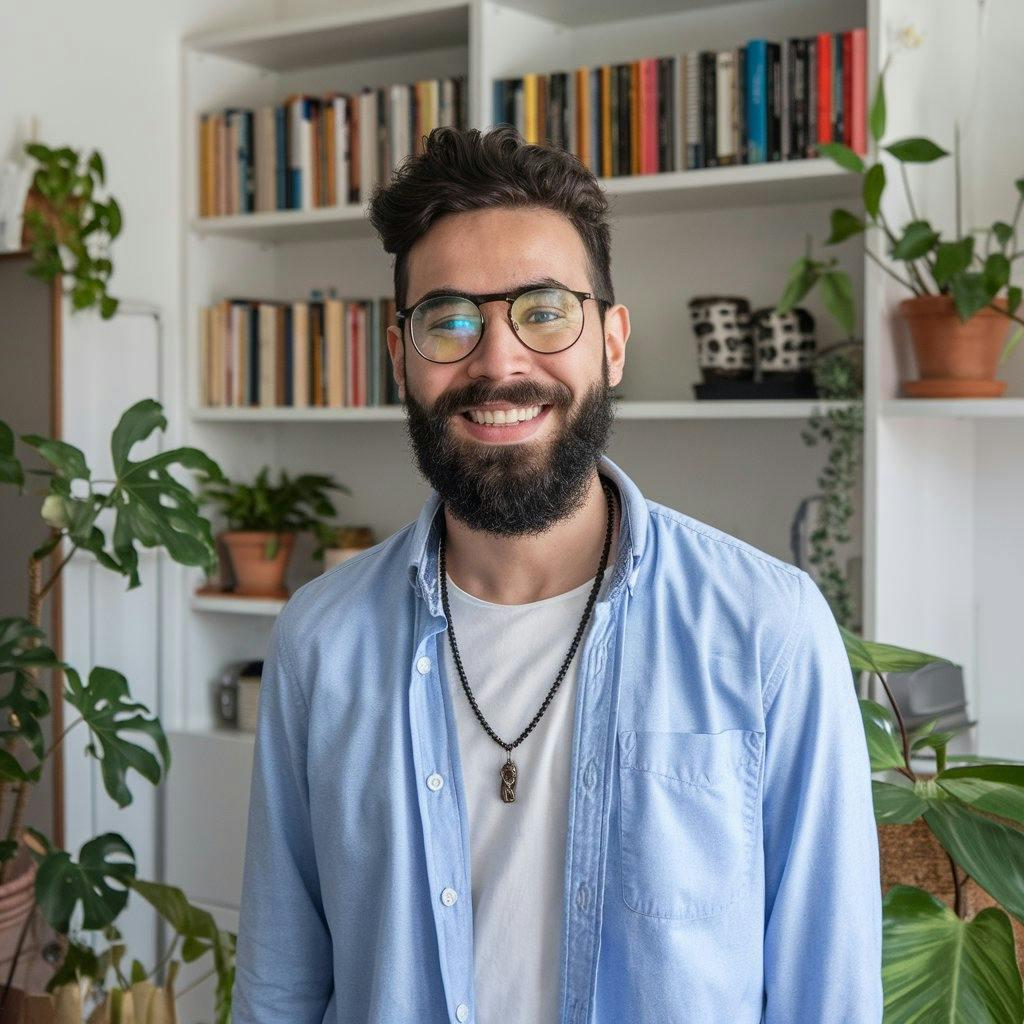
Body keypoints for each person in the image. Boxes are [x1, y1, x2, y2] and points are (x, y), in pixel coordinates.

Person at [232, 125, 882, 1024]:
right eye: (449, 321)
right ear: (400, 360)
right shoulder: (320, 639)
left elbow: (829, 997)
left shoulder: (769, 630)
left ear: (612, 343)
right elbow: (280, 986)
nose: (497, 363)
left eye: (543, 312)